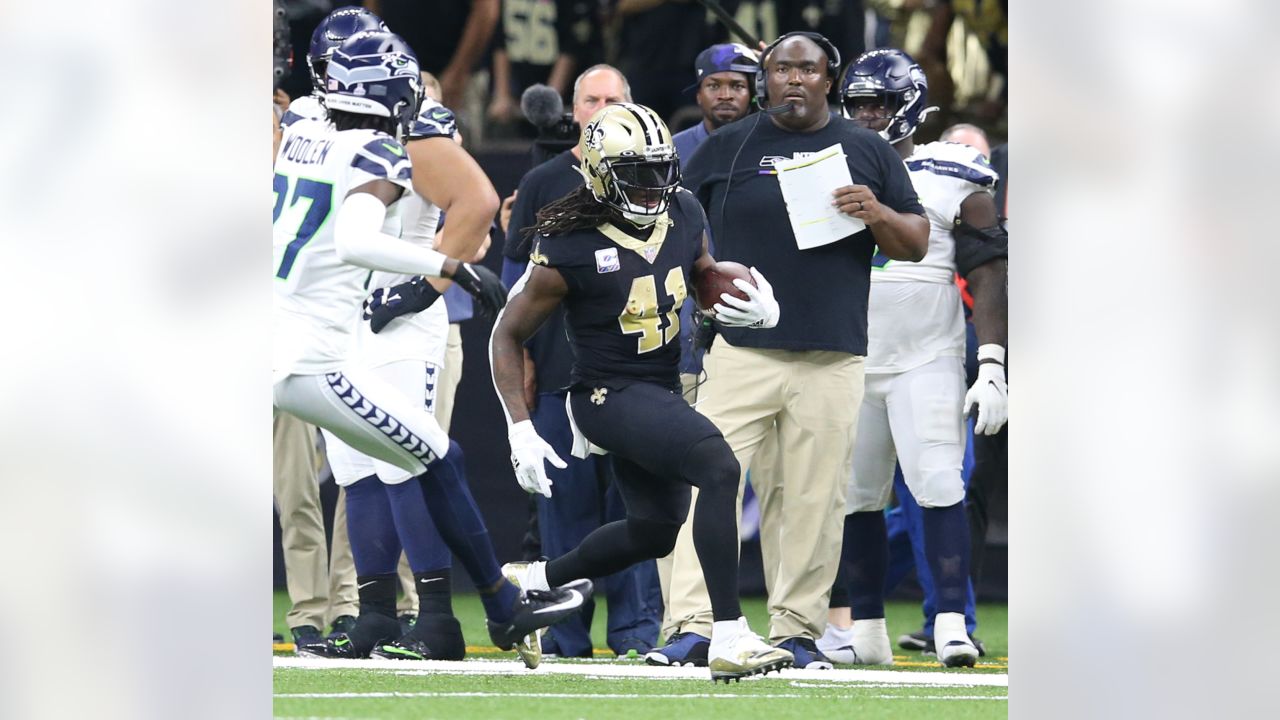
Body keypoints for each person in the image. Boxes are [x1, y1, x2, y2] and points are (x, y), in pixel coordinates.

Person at [272, 28, 590, 664]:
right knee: (418, 460)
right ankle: (488, 608)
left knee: (391, 466)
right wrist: (455, 271)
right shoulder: (374, 148)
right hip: (325, 338)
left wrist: (418, 288)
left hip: (327, 328)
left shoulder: (303, 124)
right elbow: (357, 240)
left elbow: (463, 203)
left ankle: (415, 616)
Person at [650, 31, 929, 670]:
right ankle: (693, 625)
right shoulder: (727, 146)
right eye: (781, 69)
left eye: (807, 69)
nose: (793, 80)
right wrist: (701, 283)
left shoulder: (866, 149)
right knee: (706, 486)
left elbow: (916, 239)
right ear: (764, 80)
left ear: (829, 80)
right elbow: (672, 227)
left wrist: (877, 214)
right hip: (740, 351)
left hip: (833, 354)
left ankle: (798, 632)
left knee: (813, 499)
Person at [489, 102, 792, 683]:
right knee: (719, 466)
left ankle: (535, 581)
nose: (653, 185)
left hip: (660, 387)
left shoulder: (683, 209)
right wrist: (519, 426)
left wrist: (746, 304)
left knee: (655, 531)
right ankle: (727, 635)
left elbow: (699, 272)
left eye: (660, 168)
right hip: (605, 394)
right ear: (600, 172)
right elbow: (506, 333)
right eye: (637, 172)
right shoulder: (569, 241)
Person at [817, 48, 1007, 668]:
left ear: (909, 108)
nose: (868, 116)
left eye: (880, 104)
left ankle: (951, 620)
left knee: (938, 483)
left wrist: (993, 362)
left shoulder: (952, 171)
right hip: (848, 356)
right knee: (857, 496)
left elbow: (991, 272)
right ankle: (865, 629)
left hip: (927, 355)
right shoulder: (819, 165)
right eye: (860, 104)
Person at [496, 65, 662, 659]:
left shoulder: (658, 181)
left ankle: (637, 635)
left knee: (638, 512)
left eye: (613, 99)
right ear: (574, 109)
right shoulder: (543, 180)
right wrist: (526, 361)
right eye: (590, 100)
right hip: (562, 373)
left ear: (634, 106)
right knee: (565, 513)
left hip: (638, 375)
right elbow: (515, 290)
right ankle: (566, 636)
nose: (600, 108)